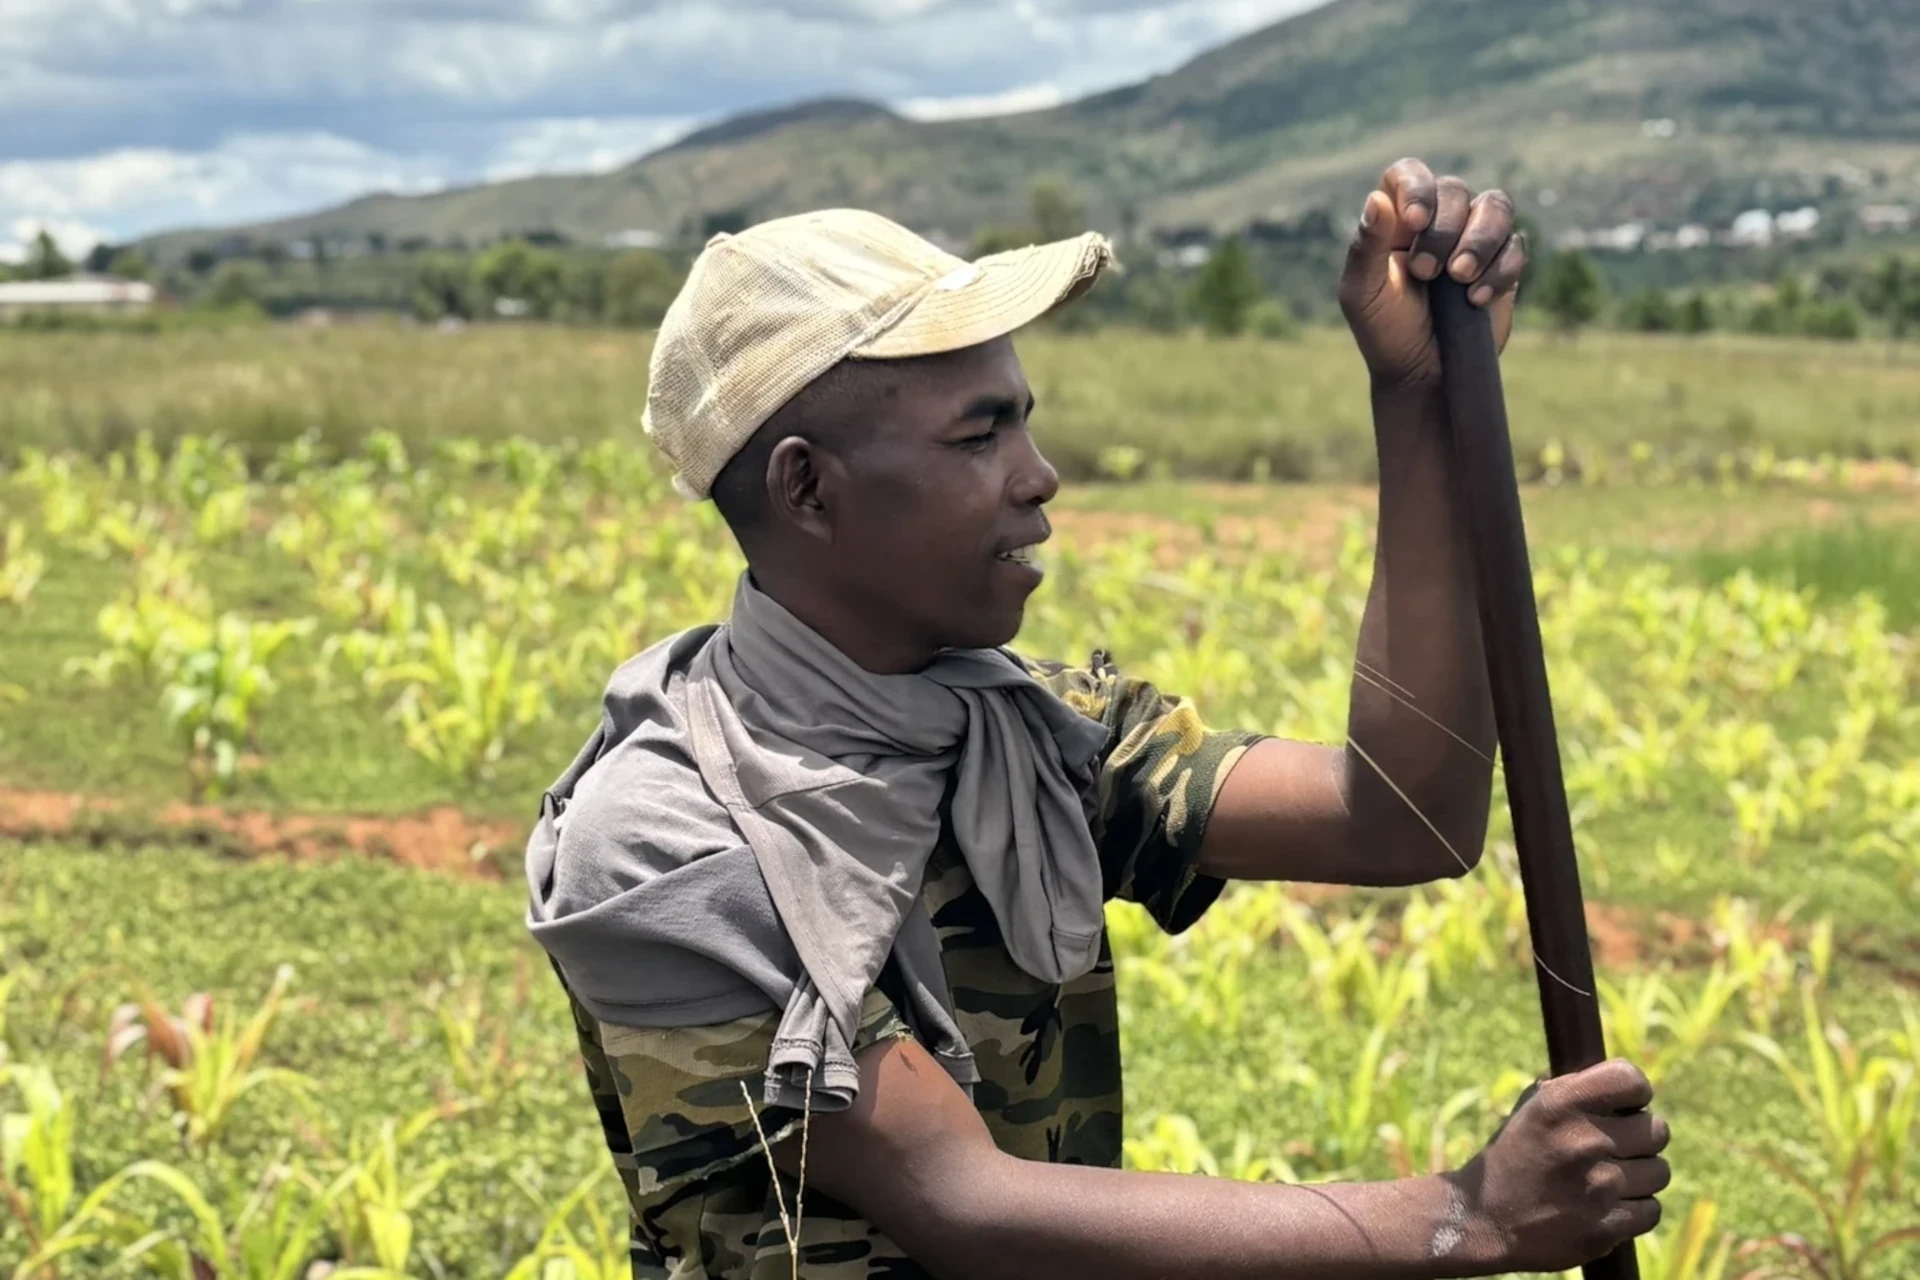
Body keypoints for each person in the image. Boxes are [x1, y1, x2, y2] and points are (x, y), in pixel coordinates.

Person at [523, 157, 1671, 1280]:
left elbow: (1401, 815)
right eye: (979, 436)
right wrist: (1465, 1216)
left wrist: (1418, 399)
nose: (1041, 475)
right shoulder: (666, 835)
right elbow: (967, 1206)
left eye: (1024, 423)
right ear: (807, 486)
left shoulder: (1033, 730)